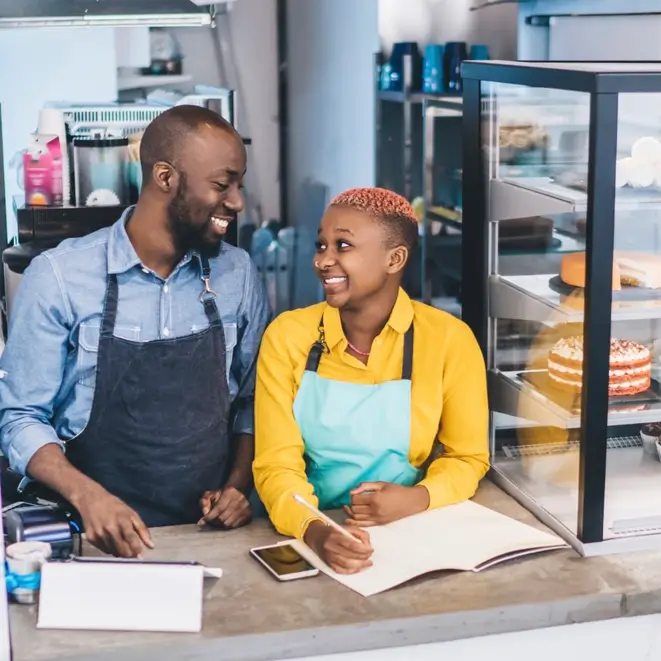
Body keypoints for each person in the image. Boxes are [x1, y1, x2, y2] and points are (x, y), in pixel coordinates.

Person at [0, 105, 269, 558]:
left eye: (239, 185)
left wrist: (236, 487)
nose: (237, 202)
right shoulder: (60, 278)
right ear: (165, 177)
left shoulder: (237, 274)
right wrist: (90, 498)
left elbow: (252, 401)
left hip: (209, 538)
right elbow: (19, 418)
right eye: (223, 185)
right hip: (89, 535)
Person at [253, 187, 489, 574]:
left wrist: (417, 498)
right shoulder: (288, 336)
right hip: (306, 532)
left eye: (342, 245)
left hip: (409, 536)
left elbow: (467, 457)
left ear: (394, 258)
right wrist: (315, 529)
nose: (323, 260)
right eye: (321, 244)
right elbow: (275, 464)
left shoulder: (448, 340)